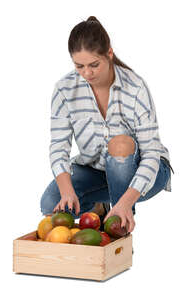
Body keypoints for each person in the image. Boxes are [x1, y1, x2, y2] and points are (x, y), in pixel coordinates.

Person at [40, 16, 174, 233]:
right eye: (79, 66)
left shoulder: (135, 87)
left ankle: (118, 224)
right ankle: (100, 207)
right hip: (96, 170)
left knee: (120, 144)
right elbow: (58, 147)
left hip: (146, 172)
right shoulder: (64, 89)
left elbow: (151, 154)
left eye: (94, 65)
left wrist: (124, 203)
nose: (87, 73)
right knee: (50, 204)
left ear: (109, 54)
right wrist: (67, 192)